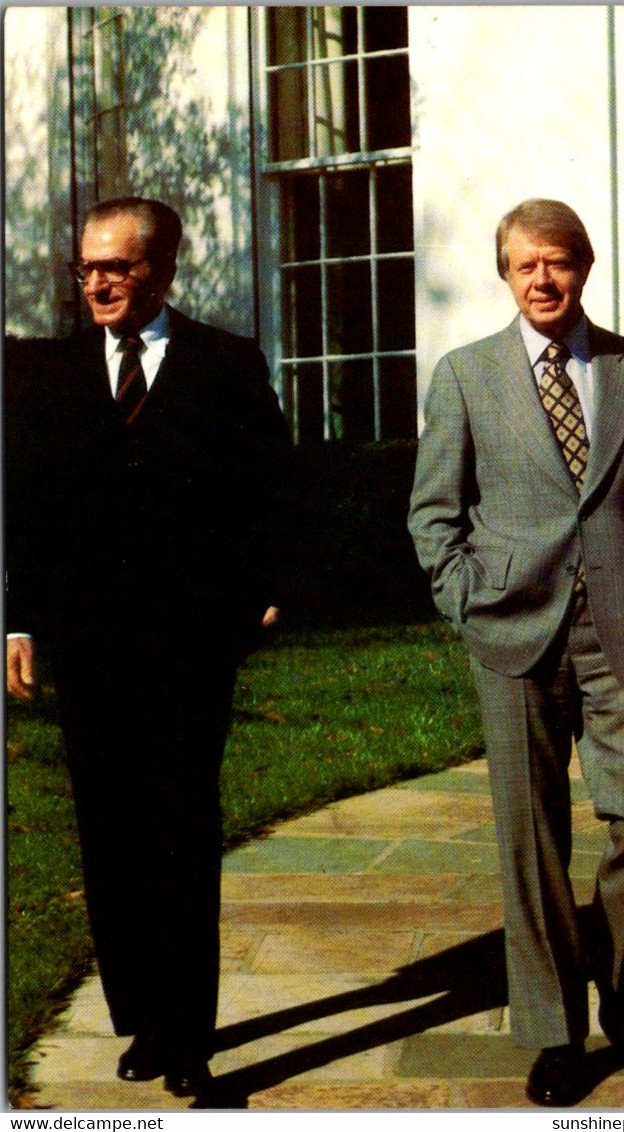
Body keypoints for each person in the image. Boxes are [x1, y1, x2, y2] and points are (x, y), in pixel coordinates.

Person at [408, 198, 624, 1107]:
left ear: (584, 267)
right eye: (525, 265)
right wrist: (466, 602)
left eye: (560, 262)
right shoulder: (464, 376)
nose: (544, 280)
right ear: (506, 274)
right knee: (529, 841)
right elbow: (433, 514)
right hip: (513, 631)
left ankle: (613, 971)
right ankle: (554, 1034)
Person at [6, 197, 291, 1098]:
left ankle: (185, 1033)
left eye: (115, 269)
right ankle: (138, 1013)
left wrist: (264, 593)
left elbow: (272, 488)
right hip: (88, 645)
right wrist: (16, 620)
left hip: (189, 645)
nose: (96, 284)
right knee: (111, 833)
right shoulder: (37, 374)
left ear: (163, 269)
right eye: (85, 269)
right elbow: (19, 507)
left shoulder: (225, 364)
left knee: (180, 830)